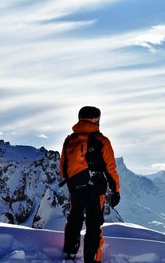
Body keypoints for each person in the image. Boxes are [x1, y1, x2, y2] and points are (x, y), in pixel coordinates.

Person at [59, 106, 120, 263]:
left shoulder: (69, 140)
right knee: (94, 224)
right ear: (95, 120)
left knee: (75, 218)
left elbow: (63, 165)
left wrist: (72, 184)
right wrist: (116, 190)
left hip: (76, 187)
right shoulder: (102, 141)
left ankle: (69, 252)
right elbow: (110, 168)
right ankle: (92, 259)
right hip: (96, 188)